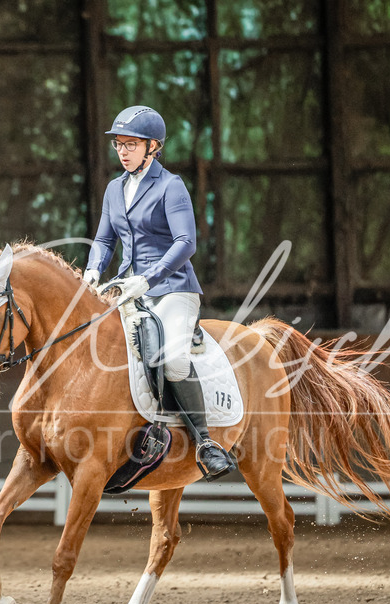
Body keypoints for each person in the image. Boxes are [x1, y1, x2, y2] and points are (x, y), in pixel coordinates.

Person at [83, 105, 234, 481]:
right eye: (119, 144)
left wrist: (147, 279)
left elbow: (186, 242)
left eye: (130, 144)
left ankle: (205, 443)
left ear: (153, 146)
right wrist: (91, 272)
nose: (123, 151)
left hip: (171, 289)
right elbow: (104, 239)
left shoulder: (171, 186)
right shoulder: (115, 189)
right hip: (125, 289)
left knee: (172, 360)